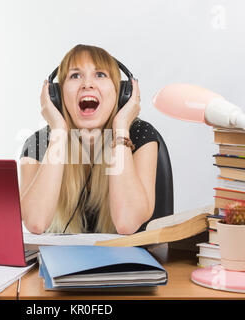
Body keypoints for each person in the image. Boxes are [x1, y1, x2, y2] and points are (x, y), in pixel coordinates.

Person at [19, 44, 159, 235]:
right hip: (61, 262)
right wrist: (58, 132)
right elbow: (36, 222)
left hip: (125, 264)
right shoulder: (39, 144)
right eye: (75, 76)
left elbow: (127, 222)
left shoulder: (139, 135)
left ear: (123, 93)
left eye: (100, 74)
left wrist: (120, 128)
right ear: (56, 95)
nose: (87, 84)